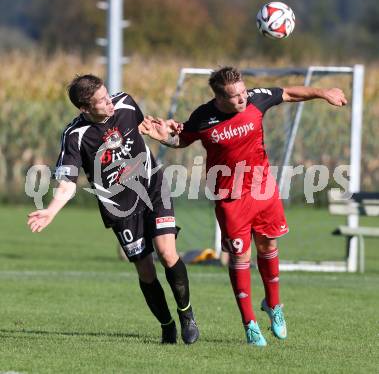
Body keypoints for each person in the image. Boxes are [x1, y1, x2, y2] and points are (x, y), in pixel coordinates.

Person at [139, 66, 347, 346]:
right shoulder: (203, 117)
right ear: (220, 99)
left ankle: (274, 306)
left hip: (263, 190)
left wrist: (324, 93)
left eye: (243, 92)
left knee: (269, 247)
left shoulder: (256, 99)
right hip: (230, 198)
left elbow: (287, 93)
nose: (242, 99)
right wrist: (165, 136)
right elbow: (182, 139)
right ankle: (249, 324)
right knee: (240, 258)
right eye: (235, 97)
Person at [27, 74, 199, 345]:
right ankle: (167, 326)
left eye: (108, 96)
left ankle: (186, 314)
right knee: (145, 270)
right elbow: (67, 184)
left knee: (167, 253)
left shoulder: (126, 103)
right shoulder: (75, 136)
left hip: (153, 187)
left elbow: (144, 126)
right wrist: (51, 210)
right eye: (102, 101)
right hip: (119, 207)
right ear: (85, 108)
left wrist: (171, 132)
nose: (110, 103)